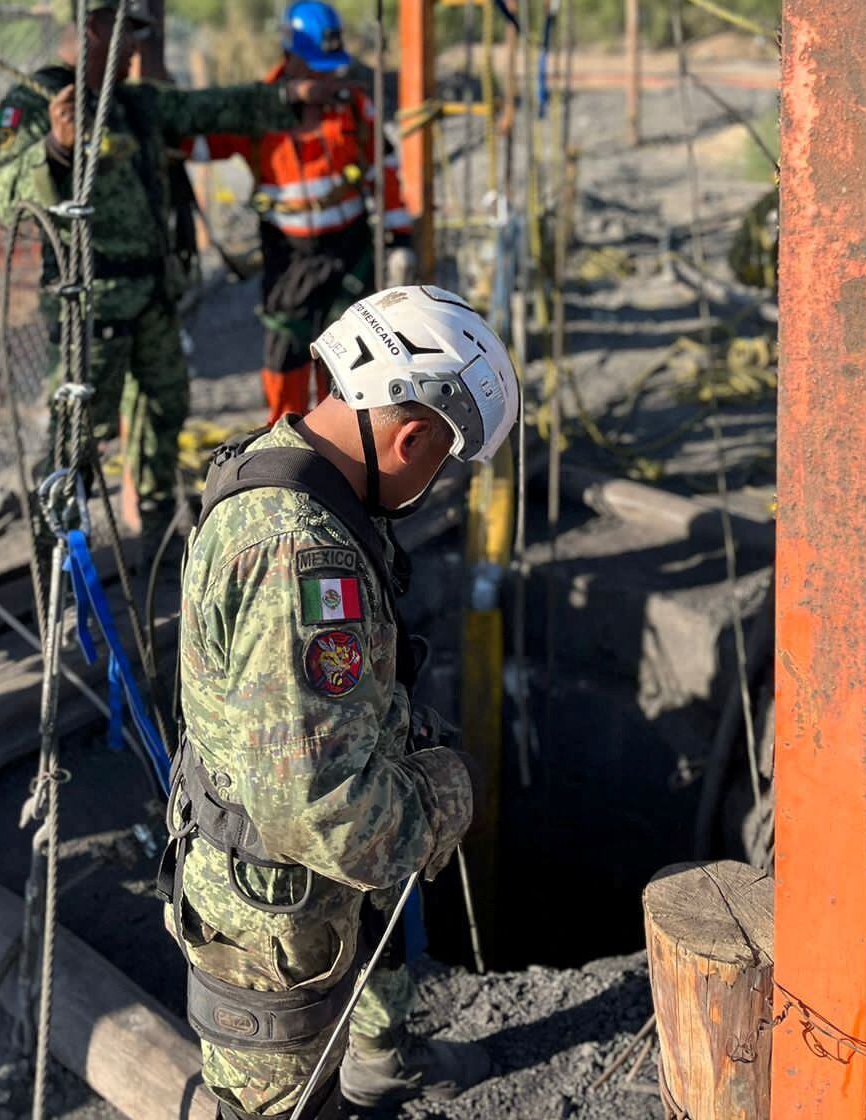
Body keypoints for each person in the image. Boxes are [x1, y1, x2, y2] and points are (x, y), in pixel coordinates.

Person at [160, 284, 519, 1118]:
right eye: (444, 460)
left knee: (367, 978)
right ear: (413, 433)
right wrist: (446, 794)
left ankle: (382, 1065)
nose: (440, 480)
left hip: (305, 889)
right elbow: (318, 810)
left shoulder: (296, 467)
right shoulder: (296, 553)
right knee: (282, 1106)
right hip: (272, 920)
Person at [0, 0, 340, 576]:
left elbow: (211, 106)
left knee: (161, 416)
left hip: (153, 297)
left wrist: (289, 98)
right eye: (124, 35)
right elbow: (0, 190)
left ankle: (154, 553)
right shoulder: (41, 103)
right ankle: (57, 568)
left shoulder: (135, 104)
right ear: (93, 27)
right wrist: (57, 152)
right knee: (76, 440)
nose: (132, 50)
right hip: (91, 305)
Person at [192, 0, 416, 423]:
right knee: (286, 361)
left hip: (348, 251)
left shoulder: (352, 105)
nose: (327, 76)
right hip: (288, 258)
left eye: (330, 67)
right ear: (290, 57)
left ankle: (345, 453)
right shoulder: (256, 111)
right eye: (315, 67)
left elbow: (384, 168)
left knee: (350, 363)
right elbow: (196, 141)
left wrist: (399, 234)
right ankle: (289, 453)